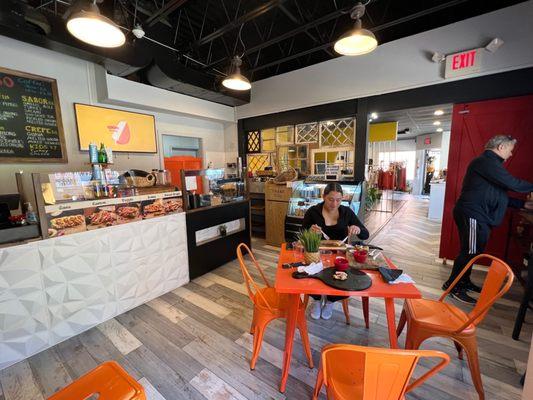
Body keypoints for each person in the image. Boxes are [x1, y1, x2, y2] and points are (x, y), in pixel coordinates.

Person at [443, 135, 533, 304]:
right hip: (472, 213)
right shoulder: (485, 162)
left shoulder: (491, 165)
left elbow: (498, 195)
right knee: (469, 252)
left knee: (474, 252)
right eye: (510, 150)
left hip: (480, 215)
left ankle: (464, 282)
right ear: (500, 147)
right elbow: (513, 183)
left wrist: (522, 204)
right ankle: (452, 287)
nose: (511, 154)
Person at [302, 183, 369, 319]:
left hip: (340, 256)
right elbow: (300, 235)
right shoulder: (312, 212)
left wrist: (357, 228)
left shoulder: (346, 212)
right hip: (317, 254)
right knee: (311, 274)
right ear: (323, 197)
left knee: (345, 277)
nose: (334, 203)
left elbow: (365, 235)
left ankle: (331, 301)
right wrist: (309, 232)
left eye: (338, 200)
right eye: (331, 199)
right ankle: (316, 299)